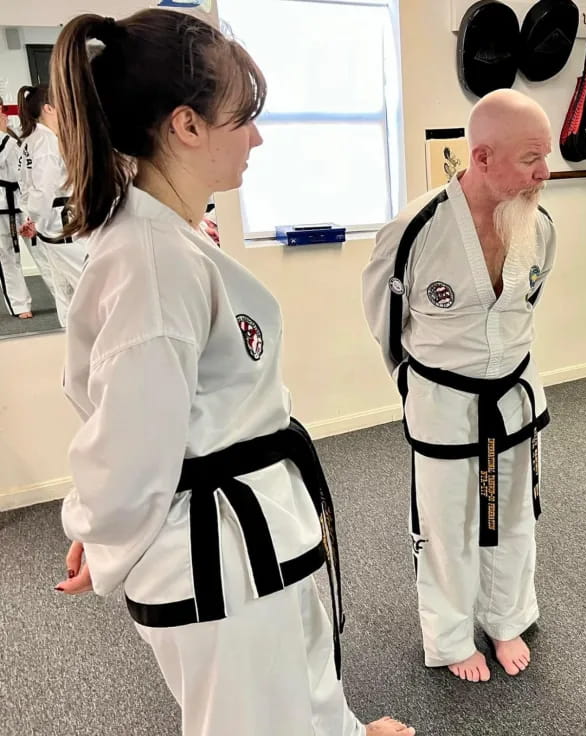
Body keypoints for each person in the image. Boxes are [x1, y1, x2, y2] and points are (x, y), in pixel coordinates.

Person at [50, 10, 413, 736]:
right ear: (185, 126)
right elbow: (131, 447)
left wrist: (101, 512)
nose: (257, 136)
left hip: (253, 525)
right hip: (218, 556)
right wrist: (95, 518)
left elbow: (147, 421)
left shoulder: (173, 235)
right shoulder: (150, 262)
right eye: (243, 118)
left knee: (299, 674)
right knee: (253, 717)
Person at [362, 89, 556, 682]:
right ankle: (448, 639)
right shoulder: (414, 230)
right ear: (482, 157)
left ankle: (506, 618)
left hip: (514, 395)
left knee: (513, 512)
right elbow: (384, 322)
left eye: (544, 157)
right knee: (447, 524)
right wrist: (419, 386)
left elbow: (524, 307)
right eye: (530, 159)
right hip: (443, 399)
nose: (544, 172)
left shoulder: (538, 225)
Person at [17, 84, 86, 326]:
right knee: (89, 286)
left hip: (51, 224)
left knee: (65, 291)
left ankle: (75, 346)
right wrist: (37, 218)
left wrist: (33, 219)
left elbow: (28, 188)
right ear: (48, 108)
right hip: (62, 224)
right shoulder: (46, 142)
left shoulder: (30, 141)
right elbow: (43, 189)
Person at [0, 100, 32, 318]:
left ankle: (65, 296)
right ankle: (20, 305)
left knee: (42, 248)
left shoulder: (14, 132)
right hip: (1, 202)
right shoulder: (5, 136)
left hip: (24, 199)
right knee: (7, 255)